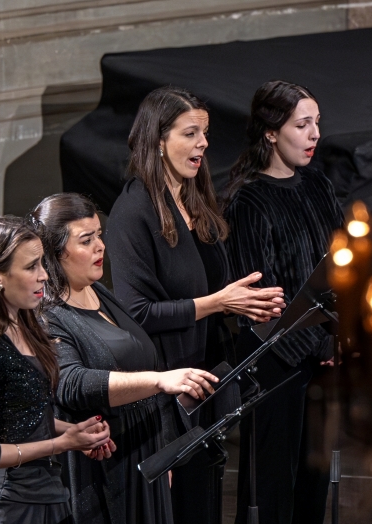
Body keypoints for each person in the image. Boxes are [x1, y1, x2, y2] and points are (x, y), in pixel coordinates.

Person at [107, 86, 284, 524]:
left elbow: (209, 287)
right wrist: (217, 302)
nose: (203, 143)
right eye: (191, 133)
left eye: (204, 132)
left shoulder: (192, 196)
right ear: (158, 139)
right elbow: (139, 313)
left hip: (207, 379)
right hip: (165, 389)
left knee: (205, 499)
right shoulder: (132, 213)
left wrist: (239, 303)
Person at [33, 192, 219, 524]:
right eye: (86, 240)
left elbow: (144, 361)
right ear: (54, 252)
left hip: (142, 451)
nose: (100, 246)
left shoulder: (97, 291)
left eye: (99, 235)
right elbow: (72, 383)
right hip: (104, 465)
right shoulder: (48, 316)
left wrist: (162, 453)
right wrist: (159, 381)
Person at [224, 80, 343, 524]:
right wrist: (315, 344)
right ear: (271, 132)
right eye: (302, 125)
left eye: (317, 124)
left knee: (314, 478)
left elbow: (343, 262)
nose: (315, 135)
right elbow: (264, 297)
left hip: (322, 355)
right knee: (275, 482)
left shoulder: (317, 184)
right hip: (277, 364)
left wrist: (337, 337)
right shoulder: (248, 200)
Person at [0, 216, 113, 524]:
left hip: (48, 495)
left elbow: (22, 416)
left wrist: (75, 431)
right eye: (31, 267)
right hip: (6, 505)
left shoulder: (27, 325)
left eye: (42, 265)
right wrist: (62, 444)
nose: (44, 277)